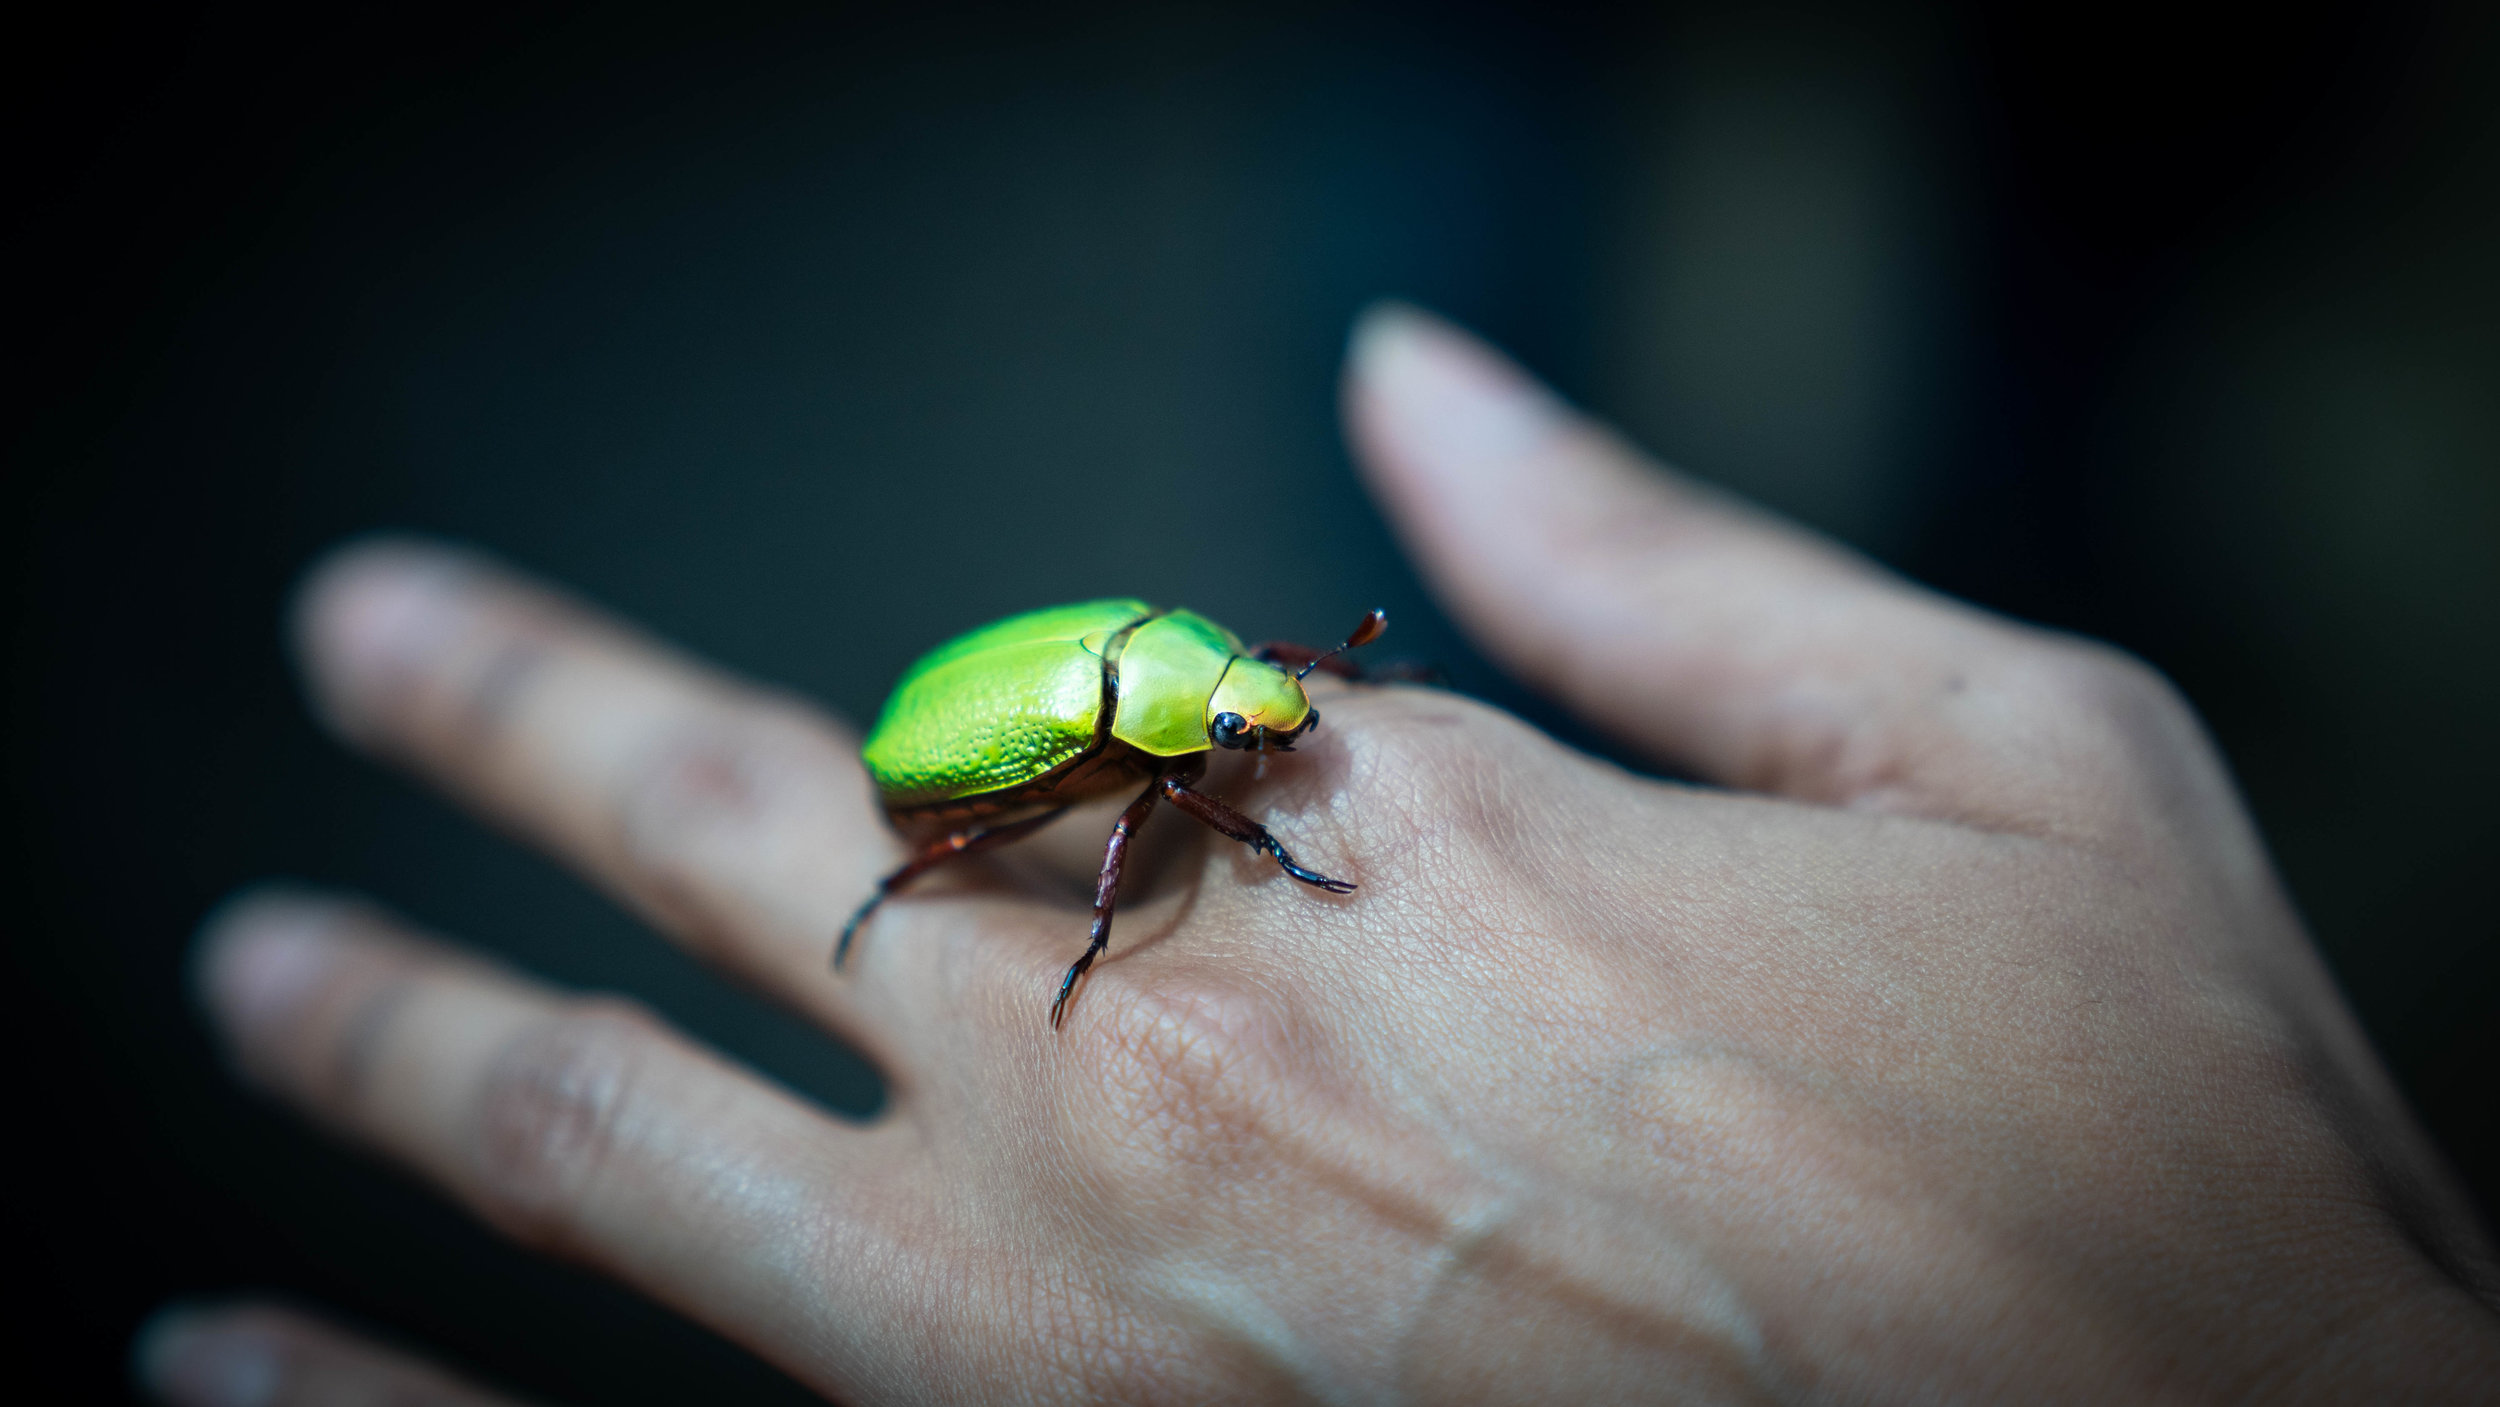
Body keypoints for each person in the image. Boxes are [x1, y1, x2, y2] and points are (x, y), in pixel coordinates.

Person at [134, 308, 2499, 1404]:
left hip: (1076, 662)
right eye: (1254, 723)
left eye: (1272, 711)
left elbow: (1241, 702)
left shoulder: (1212, 683)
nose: (1274, 735)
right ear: (1195, 711)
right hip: (948, 749)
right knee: (1024, 844)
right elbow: (1057, 781)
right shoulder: (1120, 747)